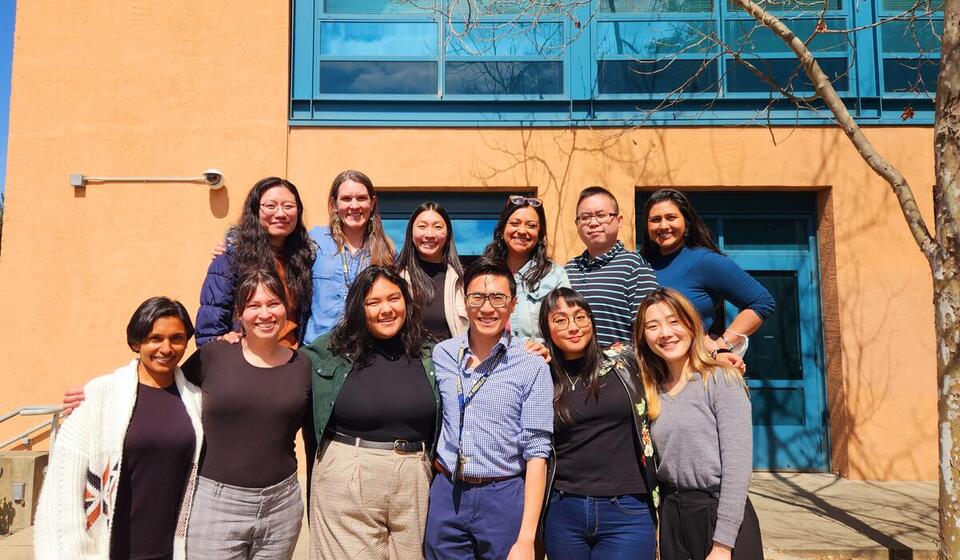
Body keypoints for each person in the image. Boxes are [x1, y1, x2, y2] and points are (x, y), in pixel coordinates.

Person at [35, 297, 204, 560]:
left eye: (177, 338)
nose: (166, 348)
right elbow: (63, 485)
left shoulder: (195, 400)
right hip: (110, 548)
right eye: (154, 338)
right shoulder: (100, 396)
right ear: (137, 341)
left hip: (172, 549)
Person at [300, 266, 438, 559]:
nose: (386, 309)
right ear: (357, 308)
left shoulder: (430, 352)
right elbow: (279, 366)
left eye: (394, 298)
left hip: (415, 472)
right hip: (349, 472)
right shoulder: (329, 352)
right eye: (373, 302)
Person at [424, 257, 554, 560]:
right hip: (447, 491)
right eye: (477, 297)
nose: (486, 308)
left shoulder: (531, 364)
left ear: (512, 304)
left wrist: (526, 539)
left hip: (502, 495)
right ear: (464, 302)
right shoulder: (442, 355)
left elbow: (537, 453)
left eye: (497, 298)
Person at [182, 269, 315, 559]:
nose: (265, 314)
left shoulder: (303, 365)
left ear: (286, 310)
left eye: (273, 304)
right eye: (254, 306)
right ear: (239, 313)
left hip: (281, 506)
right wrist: (95, 396)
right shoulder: (214, 356)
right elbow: (163, 392)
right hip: (215, 505)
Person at [634, 288, 763, 560]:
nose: (665, 333)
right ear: (643, 337)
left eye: (673, 321)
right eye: (653, 326)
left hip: (720, 516)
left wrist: (723, 545)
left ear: (691, 326)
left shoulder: (720, 380)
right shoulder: (650, 390)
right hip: (674, 515)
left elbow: (737, 470)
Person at [538, 287, 657, 560]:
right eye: (560, 320)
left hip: (628, 507)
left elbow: (677, 357)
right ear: (547, 330)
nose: (573, 327)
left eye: (580, 317)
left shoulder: (624, 359)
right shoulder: (540, 374)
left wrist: (719, 353)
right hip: (563, 507)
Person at [641, 189, 775, 357]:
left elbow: (762, 302)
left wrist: (721, 345)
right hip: (645, 371)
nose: (663, 226)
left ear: (687, 222)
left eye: (671, 217)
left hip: (692, 370)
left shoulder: (704, 261)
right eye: (655, 220)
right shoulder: (639, 264)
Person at [196, 176, 315, 347]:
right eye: (270, 206)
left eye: (288, 206)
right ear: (255, 210)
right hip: (247, 362)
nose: (280, 213)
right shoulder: (232, 260)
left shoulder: (304, 260)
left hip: (290, 361)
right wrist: (221, 346)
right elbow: (209, 329)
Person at [304, 169, 395, 344]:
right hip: (319, 351)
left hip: (367, 350)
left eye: (361, 198)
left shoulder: (387, 250)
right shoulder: (314, 241)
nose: (354, 206)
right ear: (334, 204)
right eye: (346, 199)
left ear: (372, 202)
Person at [564, 186, 659, 347]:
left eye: (601, 215)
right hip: (573, 370)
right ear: (577, 223)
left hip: (620, 368)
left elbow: (648, 327)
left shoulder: (634, 266)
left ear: (619, 220)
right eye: (585, 217)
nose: (593, 223)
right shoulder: (568, 270)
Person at [481, 195, 569, 342]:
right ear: (502, 229)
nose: (522, 231)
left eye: (531, 225)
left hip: (539, 361)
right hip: (489, 361)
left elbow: (565, 327)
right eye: (515, 223)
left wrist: (546, 350)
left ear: (540, 235)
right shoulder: (483, 272)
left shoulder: (555, 275)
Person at [394, 201, 468, 340]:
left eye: (438, 227)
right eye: (422, 226)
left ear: (448, 235)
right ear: (411, 232)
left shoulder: (462, 280)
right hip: (410, 360)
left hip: (453, 360)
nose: (429, 234)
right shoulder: (397, 279)